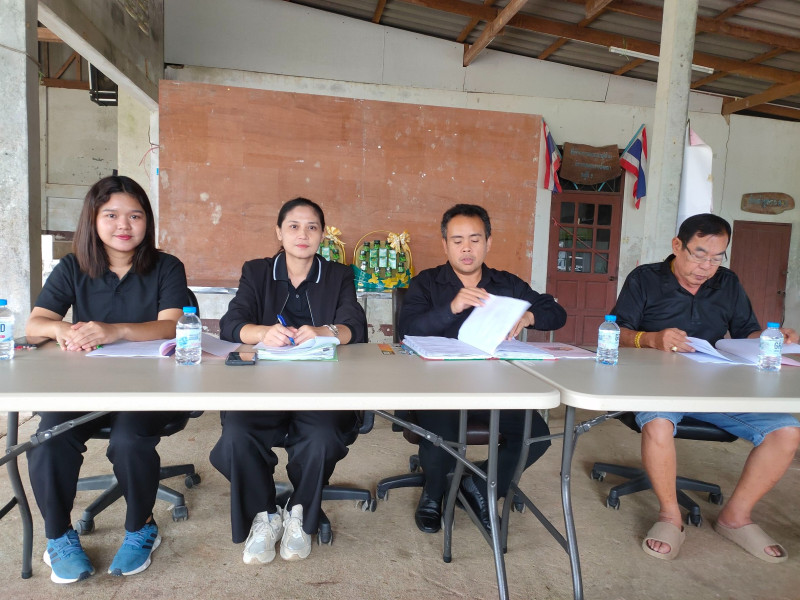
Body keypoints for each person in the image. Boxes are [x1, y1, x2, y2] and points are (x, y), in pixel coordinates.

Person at [25, 175, 189, 583]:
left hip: (148, 388)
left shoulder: (166, 266)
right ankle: (58, 536)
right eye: (111, 215)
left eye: (135, 215)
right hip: (85, 385)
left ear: (147, 221)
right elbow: (35, 325)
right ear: (93, 220)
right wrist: (62, 330)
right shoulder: (73, 267)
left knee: (129, 440)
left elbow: (172, 325)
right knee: (49, 437)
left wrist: (116, 331)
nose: (124, 225)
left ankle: (141, 527)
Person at [611, 212, 800, 562]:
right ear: (677, 246)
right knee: (658, 423)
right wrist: (651, 338)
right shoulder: (645, 279)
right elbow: (615, 331)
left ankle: (735, 517)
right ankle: (670, 516)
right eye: (699, 255)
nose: (706, 267)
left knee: (786, 431)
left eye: (716, 258)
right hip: (656, 386)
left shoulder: (727, 283)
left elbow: (745, 333)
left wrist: (772, 337)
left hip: (714, 385)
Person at [210, 197, 367, 565]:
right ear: (278, 232)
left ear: (323, 235)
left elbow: (355, 326)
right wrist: (262, 332)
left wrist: (326, 331)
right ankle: (265, 514)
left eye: (312, 227)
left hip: (321, 388)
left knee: (323, 436)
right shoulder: (257, 271)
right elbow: (231, 324)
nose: (303, 234)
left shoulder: (338, 275)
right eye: (293, 226)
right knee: (236, 434)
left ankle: (300, 511)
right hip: (263, 386)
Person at [398, 203, 566, 534]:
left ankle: (478, 485)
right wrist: (452, 307)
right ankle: (433, 493)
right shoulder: (426, 283)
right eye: (457, 240)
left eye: (475, 239)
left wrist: (529, 316)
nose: (466, 248)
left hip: (494, 386)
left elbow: (555, 313)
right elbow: (408, 329)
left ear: (488, 242)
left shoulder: (506, 283)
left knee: (537, 435)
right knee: (443, 436)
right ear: (445, 244)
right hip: (437, 387)